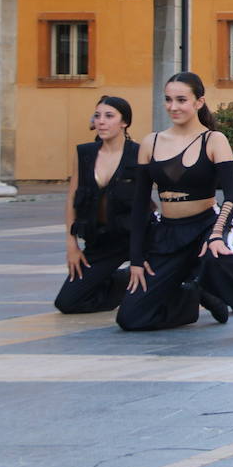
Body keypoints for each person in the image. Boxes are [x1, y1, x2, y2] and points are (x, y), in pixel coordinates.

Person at [120, 72, 233, 334]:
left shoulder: (213, 140)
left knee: (218, 257)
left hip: (209, 225)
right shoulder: (150, 142)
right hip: (169, 233)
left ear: (199, 102)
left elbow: (232, 196)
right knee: (131, 318)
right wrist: (137, 258)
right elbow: (140, 204)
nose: (173, 107)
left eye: (181, 100)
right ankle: (195, 294)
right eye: (168, 100)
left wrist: (217, 235)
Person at [56, 96, 142, 313]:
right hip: (101, 241)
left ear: (125, 122)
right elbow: (72, 198)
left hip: (137, 239)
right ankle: (120, 282)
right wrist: (71, 244)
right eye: (97, 116)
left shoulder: (140, 153)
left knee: (153, 294)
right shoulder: (85, 154)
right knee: (67, 303)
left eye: (109, 116)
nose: (101, 121)